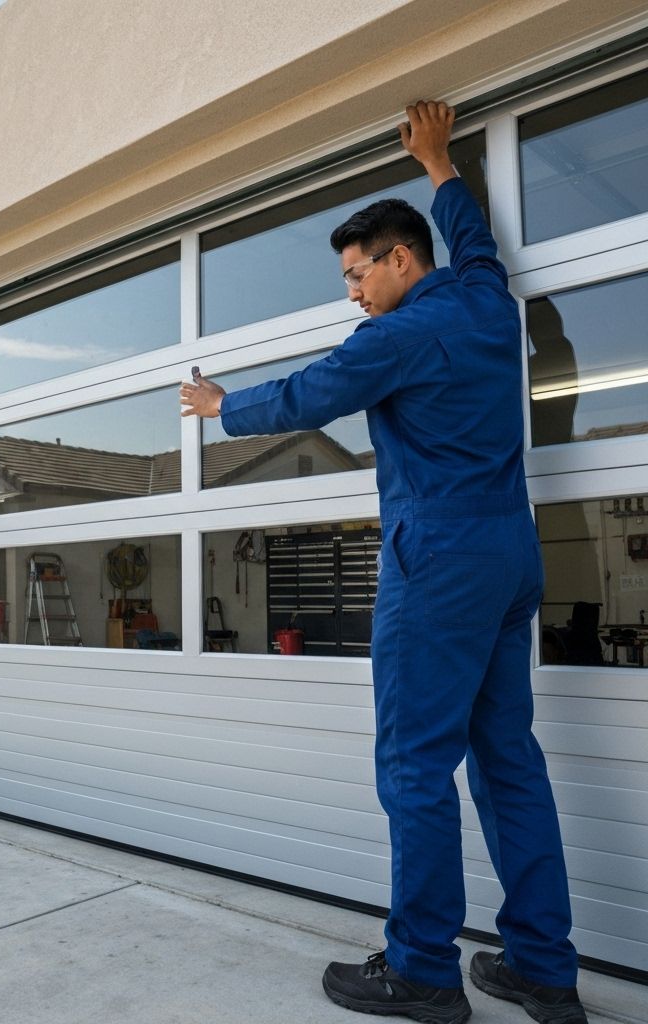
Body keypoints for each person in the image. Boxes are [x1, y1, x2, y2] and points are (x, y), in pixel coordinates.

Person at [180, 101, 587, 1024]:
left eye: (358, 274)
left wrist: (219, 405)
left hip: (437, 558)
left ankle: (424, 972)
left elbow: (311, 392)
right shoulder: (484, 298)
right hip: (508, 554)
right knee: (509, 763)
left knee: (413, 767)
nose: (353, 293)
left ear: (401, 262)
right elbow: (474, 241)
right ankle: (544, 971)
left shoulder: (400, 336)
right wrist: (440, 163)